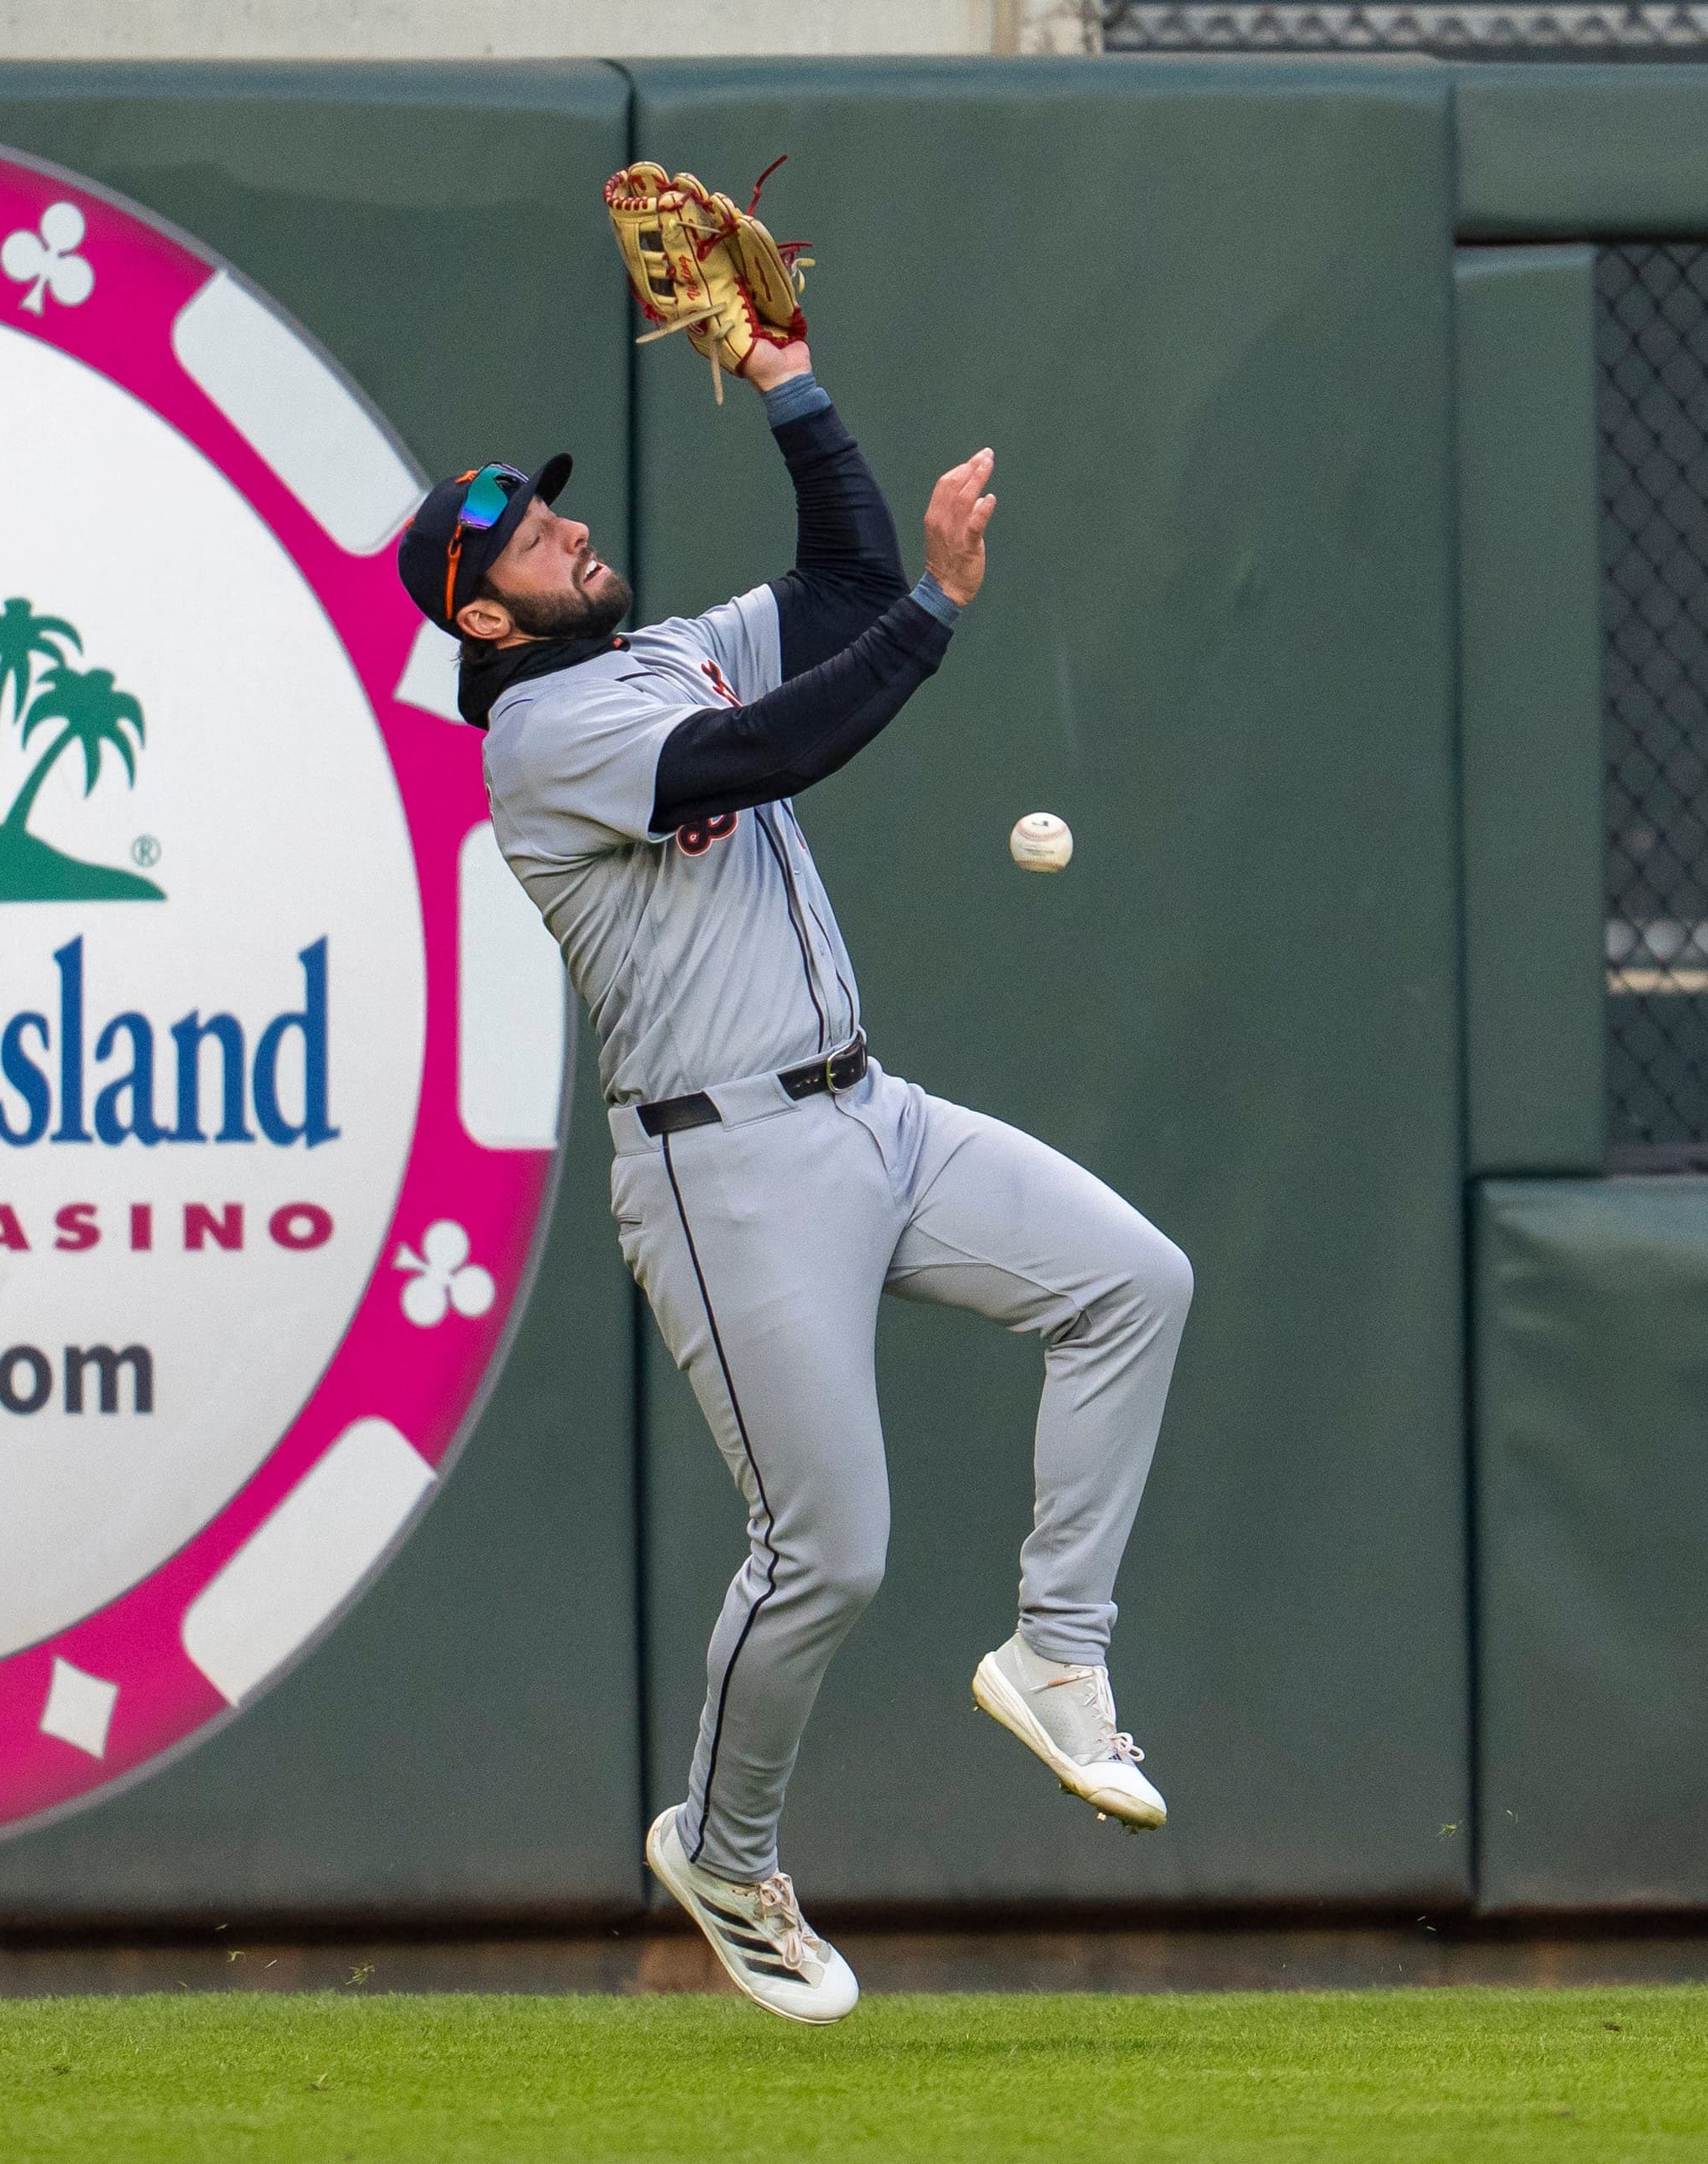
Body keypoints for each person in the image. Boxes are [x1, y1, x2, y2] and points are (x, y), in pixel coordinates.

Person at [395, 333, 1192, 2025]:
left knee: (1135, 1280)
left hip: (868, 1115)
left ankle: (1059, 1649)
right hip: (723, 1165)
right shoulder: (533, 738)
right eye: (530, 544)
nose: (564, 537)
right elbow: (760, 758)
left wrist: (791, 381)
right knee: (827, 1545)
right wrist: (942, 616)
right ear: (483, 617)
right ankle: (728, 1844)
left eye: (553, 520)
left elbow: (838, 581)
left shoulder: (668, 646)